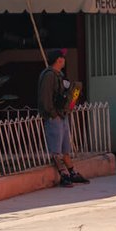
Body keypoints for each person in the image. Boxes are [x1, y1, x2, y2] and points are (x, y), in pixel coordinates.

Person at [37, 51, 87, 185]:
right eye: (62, 58)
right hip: (54, 117)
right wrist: (53, 114)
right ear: (58, 60)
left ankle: (72, 171)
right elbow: (45, 98)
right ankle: (63, 175)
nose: (64, 60)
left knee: (65, 148)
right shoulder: (48, 76)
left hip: (62, 114)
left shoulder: (59, 75)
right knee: (56, 150)